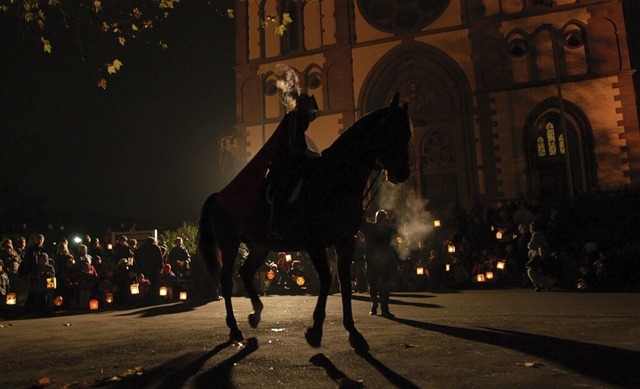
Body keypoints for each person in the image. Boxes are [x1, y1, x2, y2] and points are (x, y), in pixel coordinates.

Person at [267, 91, 319, 238]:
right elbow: (292, 143)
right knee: (283, 187)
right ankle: (274, 226)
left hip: (294, 160)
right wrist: (304, 152)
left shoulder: (297, 121)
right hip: (284, 164)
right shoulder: (293, 119)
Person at [362, 210, 397, 318]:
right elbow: (361, 224)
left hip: (385, 261)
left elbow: (393, 246)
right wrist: (362, 214)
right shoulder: (370, 228)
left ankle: (383, 308)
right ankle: (376, 305)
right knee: (374, 285)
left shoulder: (388, 230)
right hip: (373, 261)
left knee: (383, 286)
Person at [135, 237, 164, 304]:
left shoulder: (142, 248)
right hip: (154, 268)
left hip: (145, 269)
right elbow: (159, 258)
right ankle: (150, 298)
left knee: (146, 283)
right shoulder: (156, 247)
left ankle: (145, 298)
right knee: (154, 283)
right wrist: (160, 267)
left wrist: (140, 268)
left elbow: (138, 258)